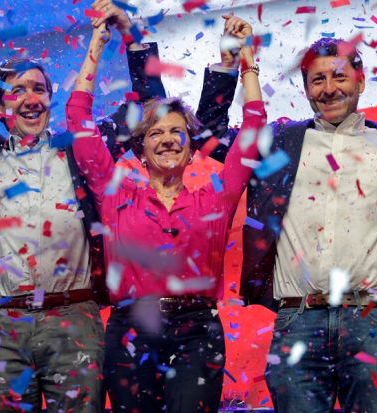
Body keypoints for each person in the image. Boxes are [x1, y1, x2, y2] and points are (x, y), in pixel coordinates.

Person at [0, 3, 173, 411]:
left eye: (39, 89)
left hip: (74, 316)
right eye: (17, 90)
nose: (31, 98)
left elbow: (152, 108)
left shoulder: (80, 152)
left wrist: (131, 34)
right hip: (2, 324)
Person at [69, 15, 264, 412]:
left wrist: (248, 64)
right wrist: (97, 44)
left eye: (177, 132)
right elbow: (78, 120)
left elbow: (253, 132)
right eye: (155, 132)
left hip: (197, 334)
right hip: (132, 331)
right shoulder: (114, 195)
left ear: (192, 146)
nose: (167, 139)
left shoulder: (215, 198)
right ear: (140, 149)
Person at [236, 37, 377, 412]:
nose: (329, 89)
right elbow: (211, 135)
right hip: (298, 319)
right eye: (317, 80)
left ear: (360, 81)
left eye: (339, 76)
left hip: (372, 320)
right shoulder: (280, 143)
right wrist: (237, 65)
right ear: (306, 89)